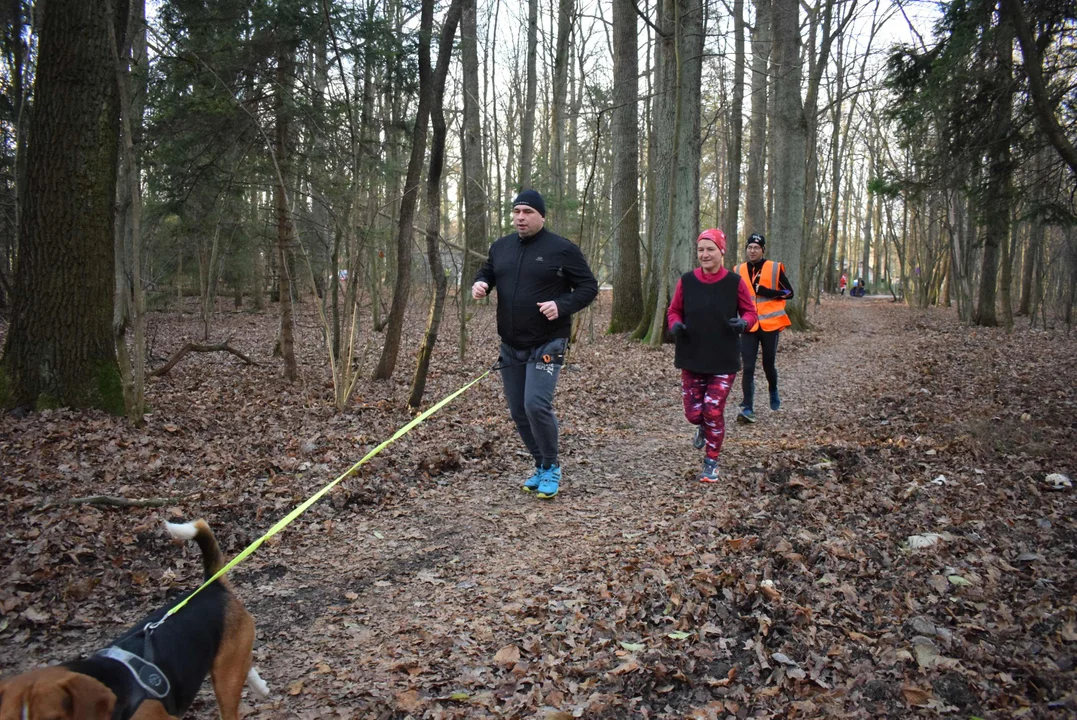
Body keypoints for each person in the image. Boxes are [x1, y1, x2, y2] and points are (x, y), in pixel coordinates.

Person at [472, 189, 598, 499]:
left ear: (542, 216)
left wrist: (562, 305)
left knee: (535, 404)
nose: (520, 217)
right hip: (511, 345)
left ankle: (552, 466)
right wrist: (482, 282)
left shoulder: (563, 250)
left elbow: (588, 287)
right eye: (516, 212)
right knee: (517, 410)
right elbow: (489, 270)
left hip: (548, 342)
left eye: (527, 212)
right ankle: (541, 465)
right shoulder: (501, 247)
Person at [667, 229, 758, 483]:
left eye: (710, 249)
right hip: (691, 356)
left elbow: (751, 313)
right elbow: (674, 310)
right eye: (701, 250)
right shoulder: (686, 281)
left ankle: (711, 461)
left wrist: (743, 323)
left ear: (721, 251)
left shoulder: (735, 282)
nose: (705, 254)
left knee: (713, 409)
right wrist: (675, 325)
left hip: (723, 358)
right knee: (694, 414)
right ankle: (702, 426)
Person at [734, 233, 794, 423]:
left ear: (763, 250)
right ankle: (747, 407)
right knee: (748, 367)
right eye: (749, 247)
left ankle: (773, 389)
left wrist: (770, 292)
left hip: (770, 325)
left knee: (768, 364)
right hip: (748, 324)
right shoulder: (738, 270)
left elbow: (789, 292)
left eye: (756, 247)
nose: (752, 250)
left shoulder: (774, 268)